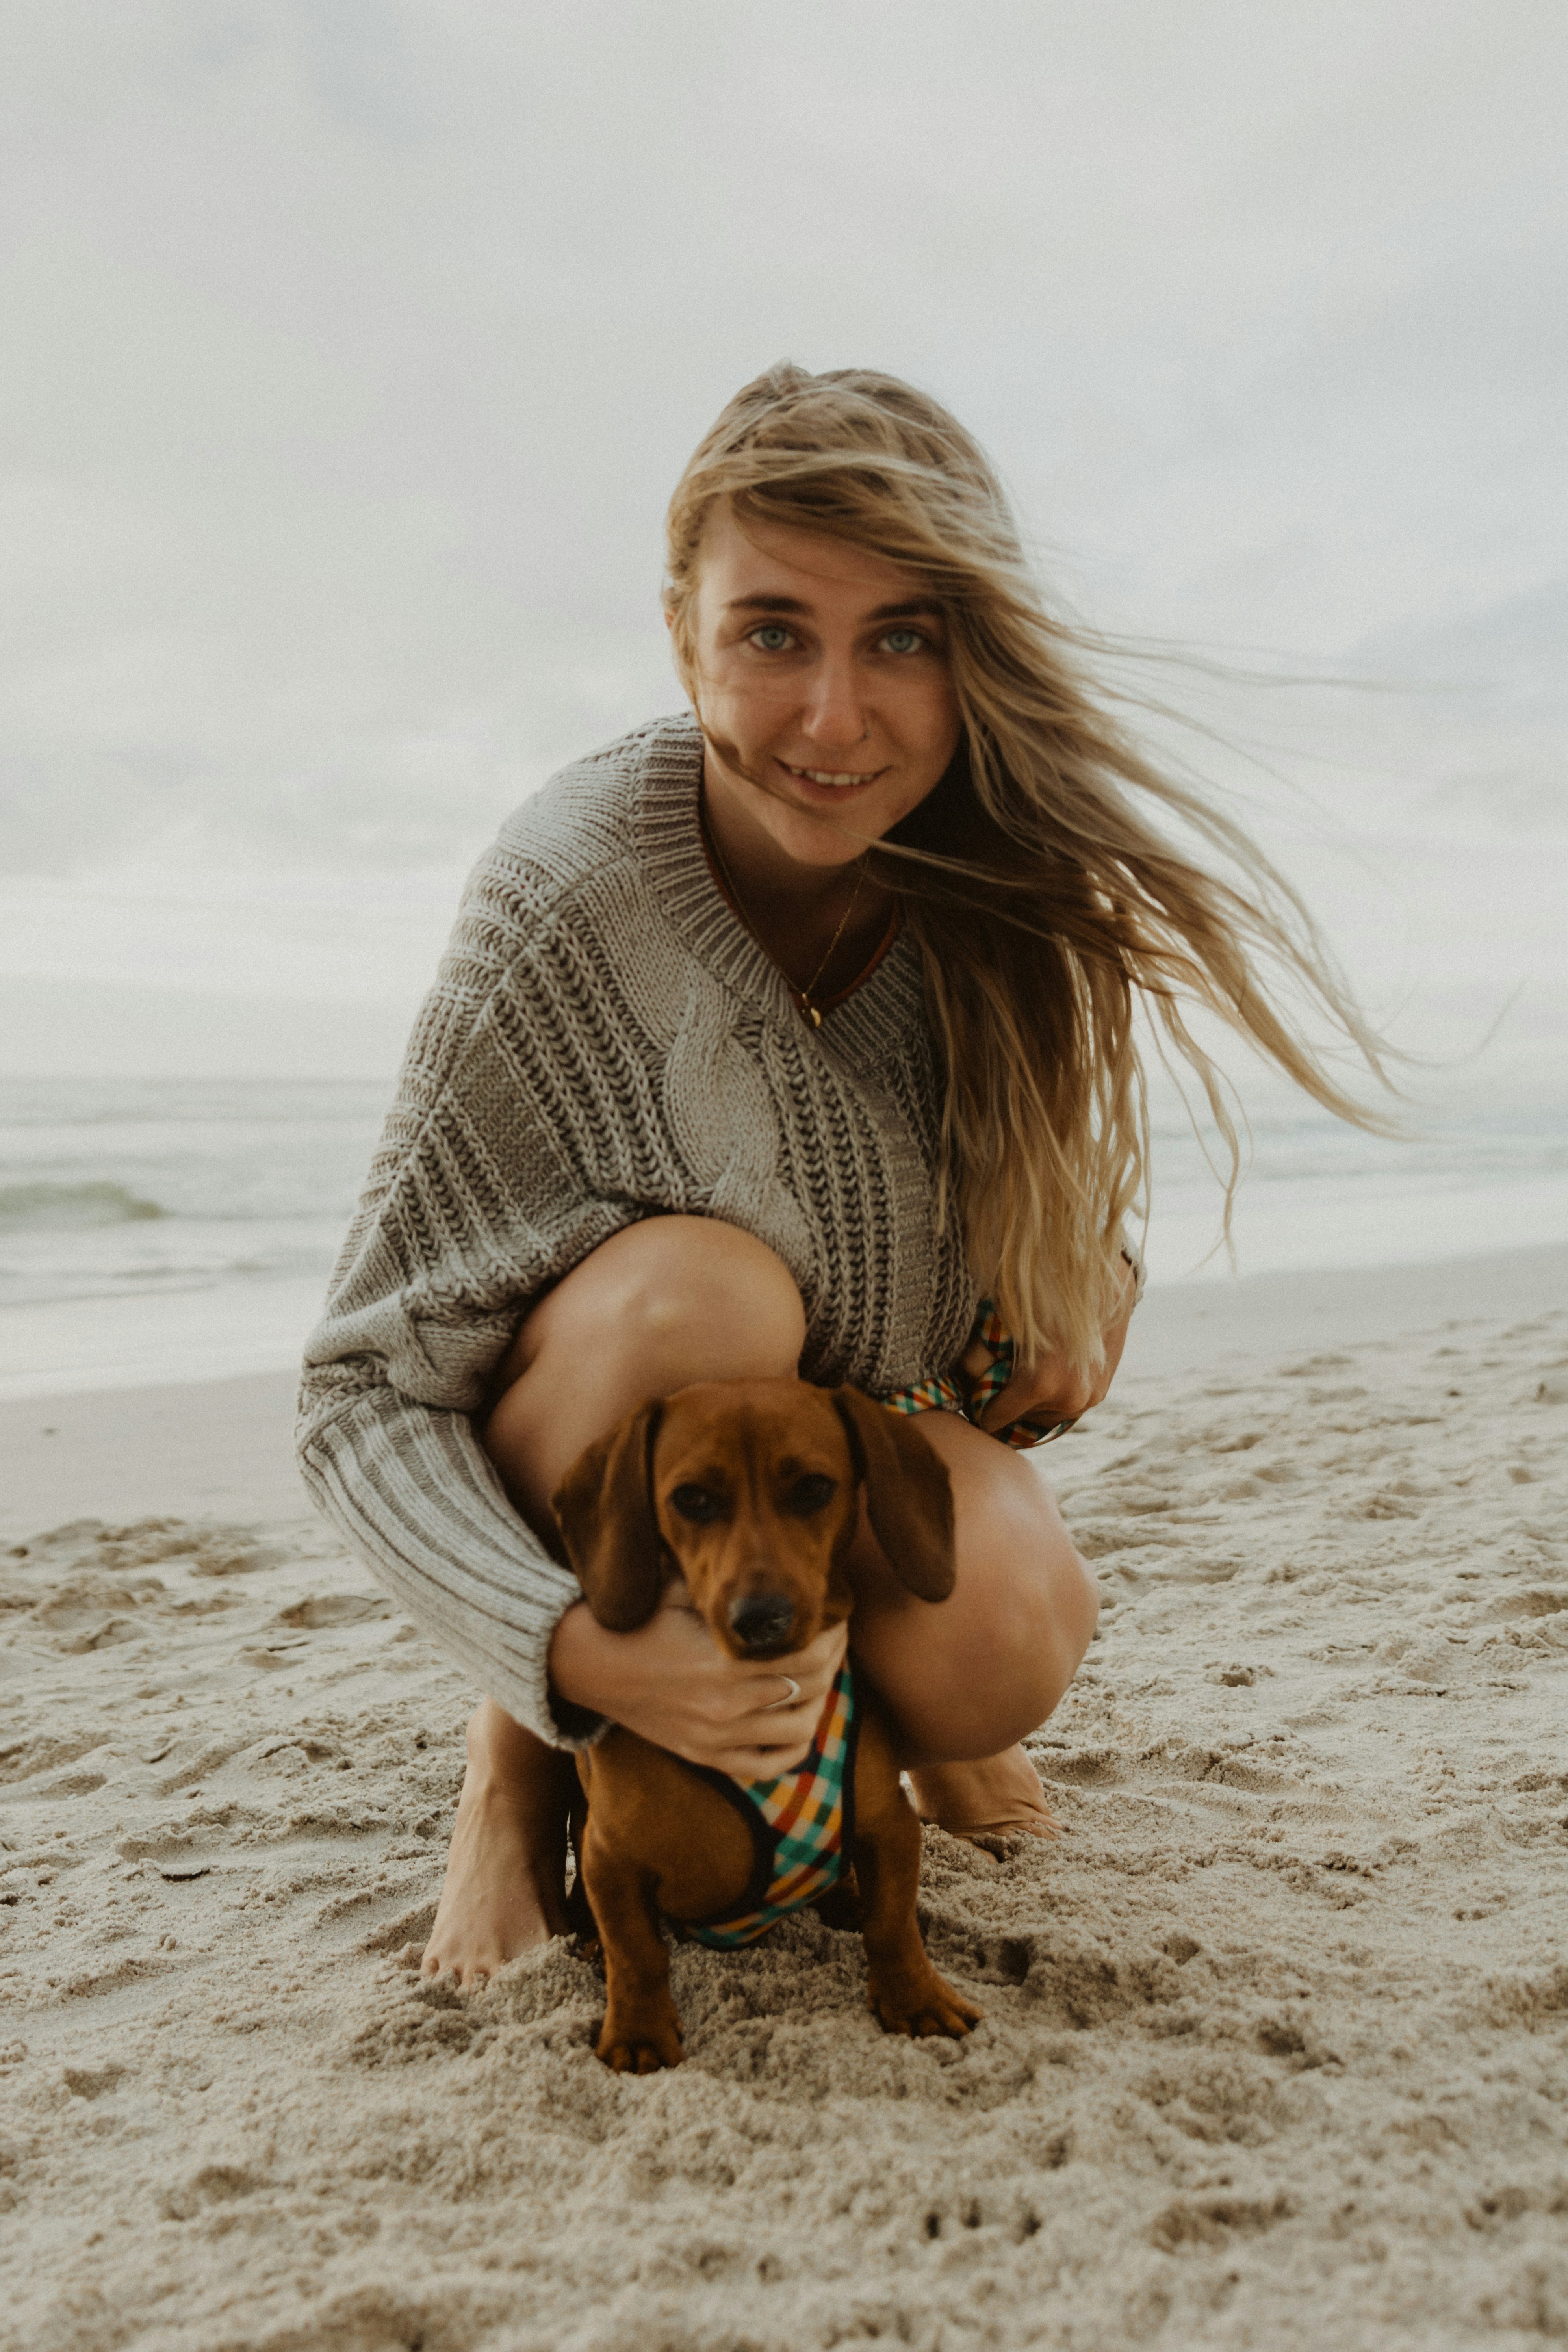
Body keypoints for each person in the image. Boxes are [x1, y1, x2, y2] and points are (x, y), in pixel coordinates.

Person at [297, 364, 1388, 1988]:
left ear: (972, 653)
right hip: (620, 1450)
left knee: (1006, 1625)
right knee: (711, 1295)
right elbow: (363, 1389)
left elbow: (1023, 1262)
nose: (832, 716)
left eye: (902, 638)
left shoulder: (1011, 892)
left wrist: (1080, 1287)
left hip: (814, 1463)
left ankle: (871, 1734)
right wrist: (573, 1648)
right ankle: (512, 1771)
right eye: (773, 632)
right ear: (683, 634)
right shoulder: (573, 894)